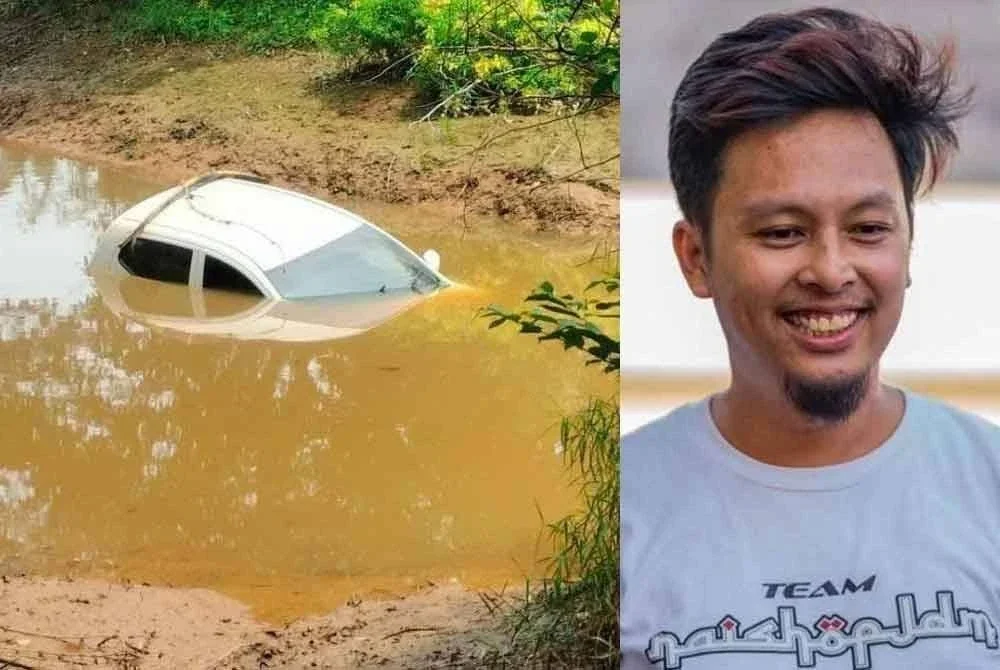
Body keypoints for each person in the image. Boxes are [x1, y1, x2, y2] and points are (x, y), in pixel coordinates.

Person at [621, 7, 1000, 669]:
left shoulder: (988, 487)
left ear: (909, 246)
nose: (831, 271)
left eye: (868, 229)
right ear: (695, 258)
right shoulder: (620, 515)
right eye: (782, 233)